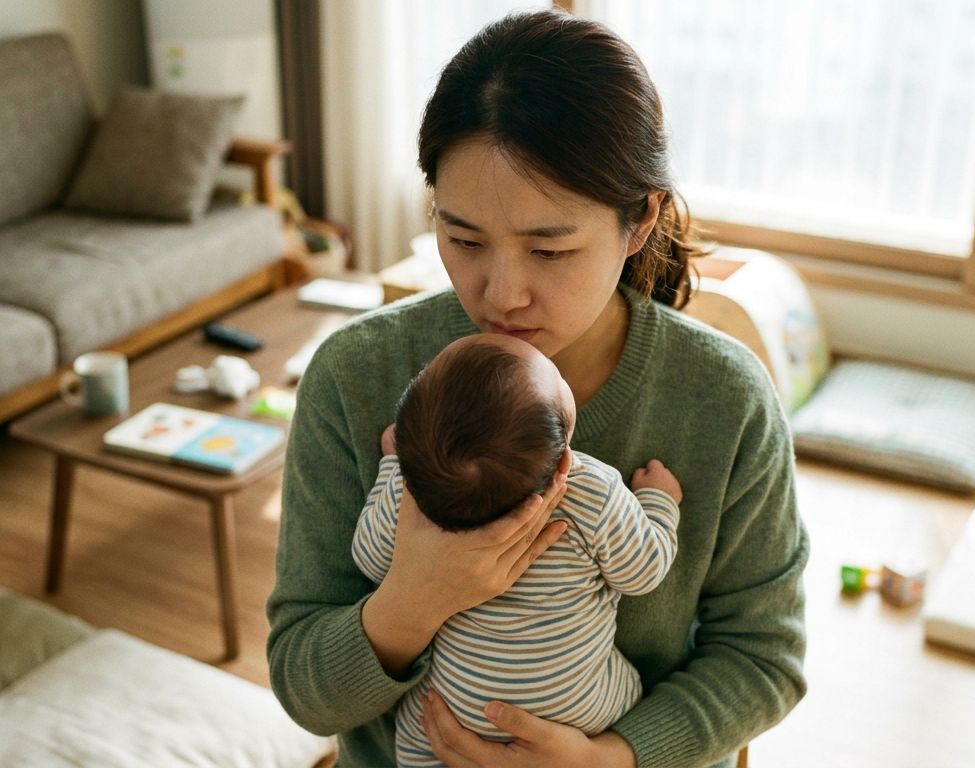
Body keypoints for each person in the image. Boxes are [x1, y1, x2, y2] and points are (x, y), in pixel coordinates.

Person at [267, 9, 808, 767]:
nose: (501, 294)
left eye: (549, 248)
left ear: (640, 218)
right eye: (462, 241)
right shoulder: (358, 377)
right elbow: (302, 686)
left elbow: (764, 660)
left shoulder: (724, 399)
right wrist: (410, 602)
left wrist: (614, 758)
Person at [351, 333, 682, 767]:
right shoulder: (590, 489)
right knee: (628, 690)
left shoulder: (407, 492)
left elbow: (369, 558)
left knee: (420, 725)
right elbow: (644, 571)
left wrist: (393, 466)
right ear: (564, 460)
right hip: (579, 711)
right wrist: (658, 503)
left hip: (453, 715)